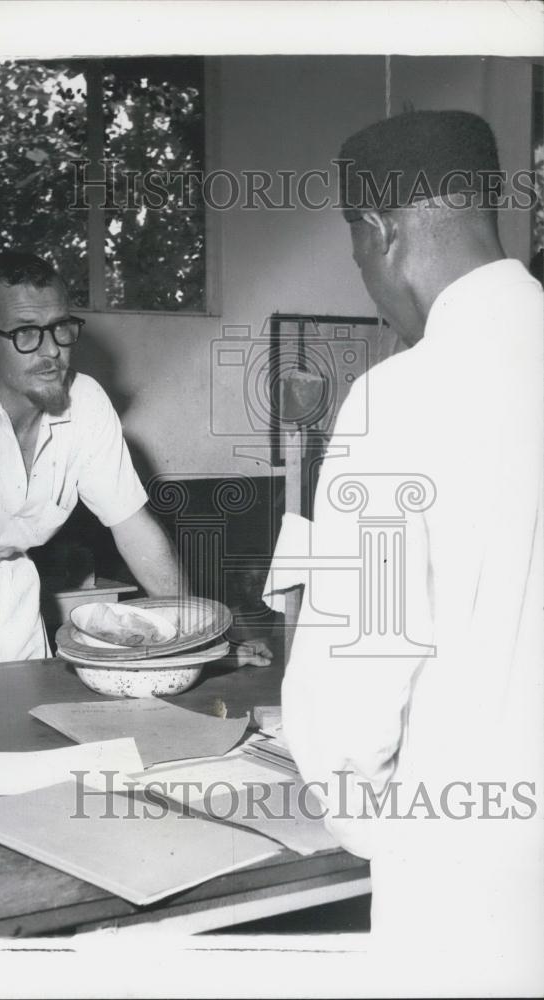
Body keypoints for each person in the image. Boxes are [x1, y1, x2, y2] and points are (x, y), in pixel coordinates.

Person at [279, 112, 544, 968]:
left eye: (358, 255)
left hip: (467, 872)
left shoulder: (399, 399)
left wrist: (358, 817)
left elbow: (353, 684)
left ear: (379, 232)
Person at [0, 251, 269, 740]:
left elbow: (134, 528)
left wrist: (200, 641)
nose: (51, 349)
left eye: (61, 328)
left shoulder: (88, 402)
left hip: (9, 588)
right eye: (26, 332)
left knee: (31, 737)